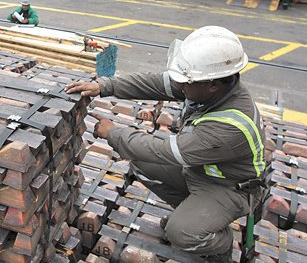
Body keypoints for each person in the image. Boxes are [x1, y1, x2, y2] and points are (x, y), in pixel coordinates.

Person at [65, 26, 266, 262]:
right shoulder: (206, 88)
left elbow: (168, 151)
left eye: (184, 82)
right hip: (199, 170)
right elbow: (156, 84)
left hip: (228, 187)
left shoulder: (231, 126)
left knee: (180, 233)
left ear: (212, 83)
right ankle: (194, 214)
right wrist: (105, 86)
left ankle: (217, 242)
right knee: (140, 161)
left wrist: (114, 133)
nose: (180, 86)